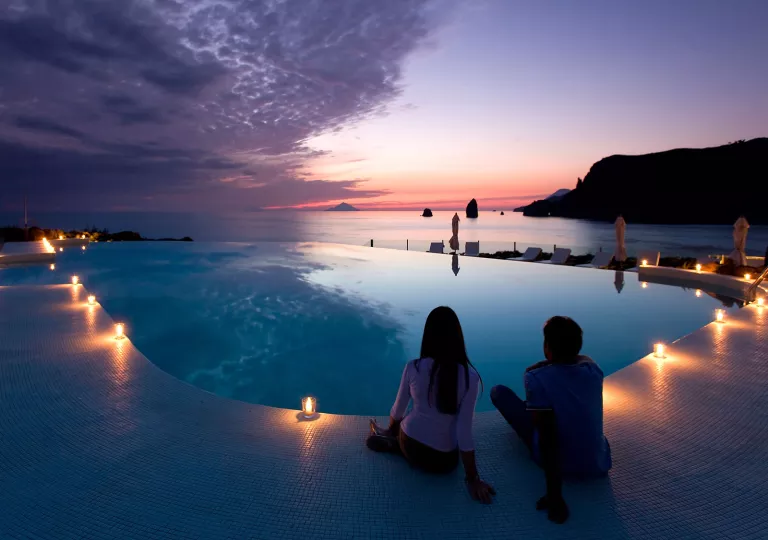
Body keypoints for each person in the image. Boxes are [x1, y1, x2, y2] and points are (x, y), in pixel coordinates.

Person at [367, 306, 496, 504]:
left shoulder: (414, 367)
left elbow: (399, 409)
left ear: (428, 335)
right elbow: (464, 432)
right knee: (444, 438)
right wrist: (473, 479)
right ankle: (393, 444)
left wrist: (390, 430)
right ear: (457, 337)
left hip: (410, 444)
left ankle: (393, 443)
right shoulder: (470, 379)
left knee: (407, 424)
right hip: (443, 462)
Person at [491, 316, 612, 521]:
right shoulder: (593, 370)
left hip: (563, 463)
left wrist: (555, 496)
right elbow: (584, 358)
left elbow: (547, 436)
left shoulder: (536, 378)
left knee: (498, 393)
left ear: (547, 347)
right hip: (597, 461)